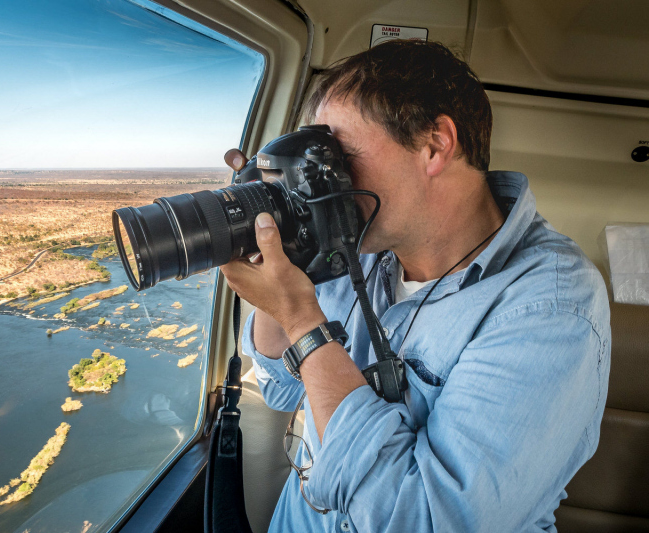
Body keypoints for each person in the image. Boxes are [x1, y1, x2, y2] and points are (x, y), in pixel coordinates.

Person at [219, 40, 611, 532]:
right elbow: (281, 390)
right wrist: (280, 266)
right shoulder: (357, 248)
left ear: (434, 145)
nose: (328, 178)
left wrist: (305, 323)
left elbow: (420, 519)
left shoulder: (553, 305)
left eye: (340, 152)